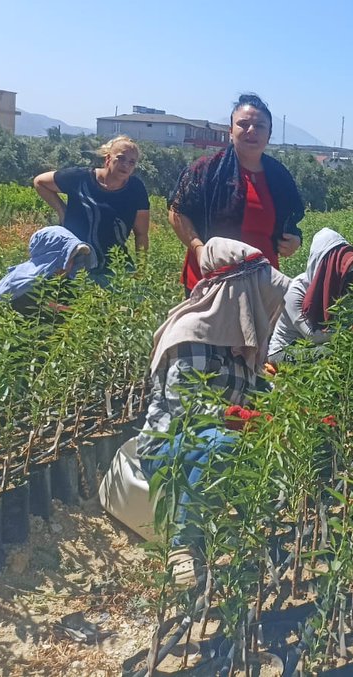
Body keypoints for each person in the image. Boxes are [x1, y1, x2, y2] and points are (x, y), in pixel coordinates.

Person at [138, 237, 291, 586]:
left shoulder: (239, 342)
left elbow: (259, 394)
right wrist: (237, 417)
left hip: (210, 446)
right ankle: (182, 547)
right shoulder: (193, 335)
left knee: (260, 450)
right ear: (241, 295)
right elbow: (185, 405)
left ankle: (254, 539)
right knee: (226, 443)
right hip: (172, 448)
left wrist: (294, 410)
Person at [168, 94, 305, 294]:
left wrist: (295, 241)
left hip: (260, 287)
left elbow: (291, 223)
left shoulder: (279, 176)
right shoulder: (206, 169)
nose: (252, 130)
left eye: (259, 126)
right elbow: (177, 212)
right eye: (243, 124)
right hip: (210, 283)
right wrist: (199, 250)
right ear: (231, 131)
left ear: (269, 134)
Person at [33, 136, 150, 270]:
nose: (126, 165)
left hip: (115, 267)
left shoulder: (136, 189)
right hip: (76, 264)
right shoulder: (81, 178)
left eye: (131, 162)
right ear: (108, 159)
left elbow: (141, 234)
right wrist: (62, 211)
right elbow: (40, 182)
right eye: (121, 158)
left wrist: (141, 269)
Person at [268, 228, 353, 364]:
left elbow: (352, 320)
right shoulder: (297, 289)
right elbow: (311, 335)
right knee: (331, 353)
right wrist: (351, 333)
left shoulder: (339, 289)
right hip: (285, 350)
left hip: (316, 346)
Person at [0, 226, 97, 315]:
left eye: (72, 259)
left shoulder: (62, 281)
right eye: (65, 259)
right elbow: (48, 306)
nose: (68, 266)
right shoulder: (23, 283)